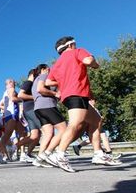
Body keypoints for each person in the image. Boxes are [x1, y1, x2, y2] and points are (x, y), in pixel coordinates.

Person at [45, 36, 119, 172]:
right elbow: (89, 60)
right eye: (75, 43)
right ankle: (59, 154)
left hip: (71, 95)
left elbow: (48, 82)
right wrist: (95, 64)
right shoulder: (77, 51)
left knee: (96, 121)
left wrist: (64, 81)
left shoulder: (57, 63)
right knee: (75, 124)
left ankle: (98, 154)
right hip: (77, 93)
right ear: (71, 45)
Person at [17, 69, 42, 162]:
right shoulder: (28, 83)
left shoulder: (31, 84)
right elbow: (20, 95)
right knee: (46, 129)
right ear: (33, 74)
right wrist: (35, 97)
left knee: (35, 136)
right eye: (37, 74)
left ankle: (23, 152)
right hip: (31, 110)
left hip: (29, 110)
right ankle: (44, 156)